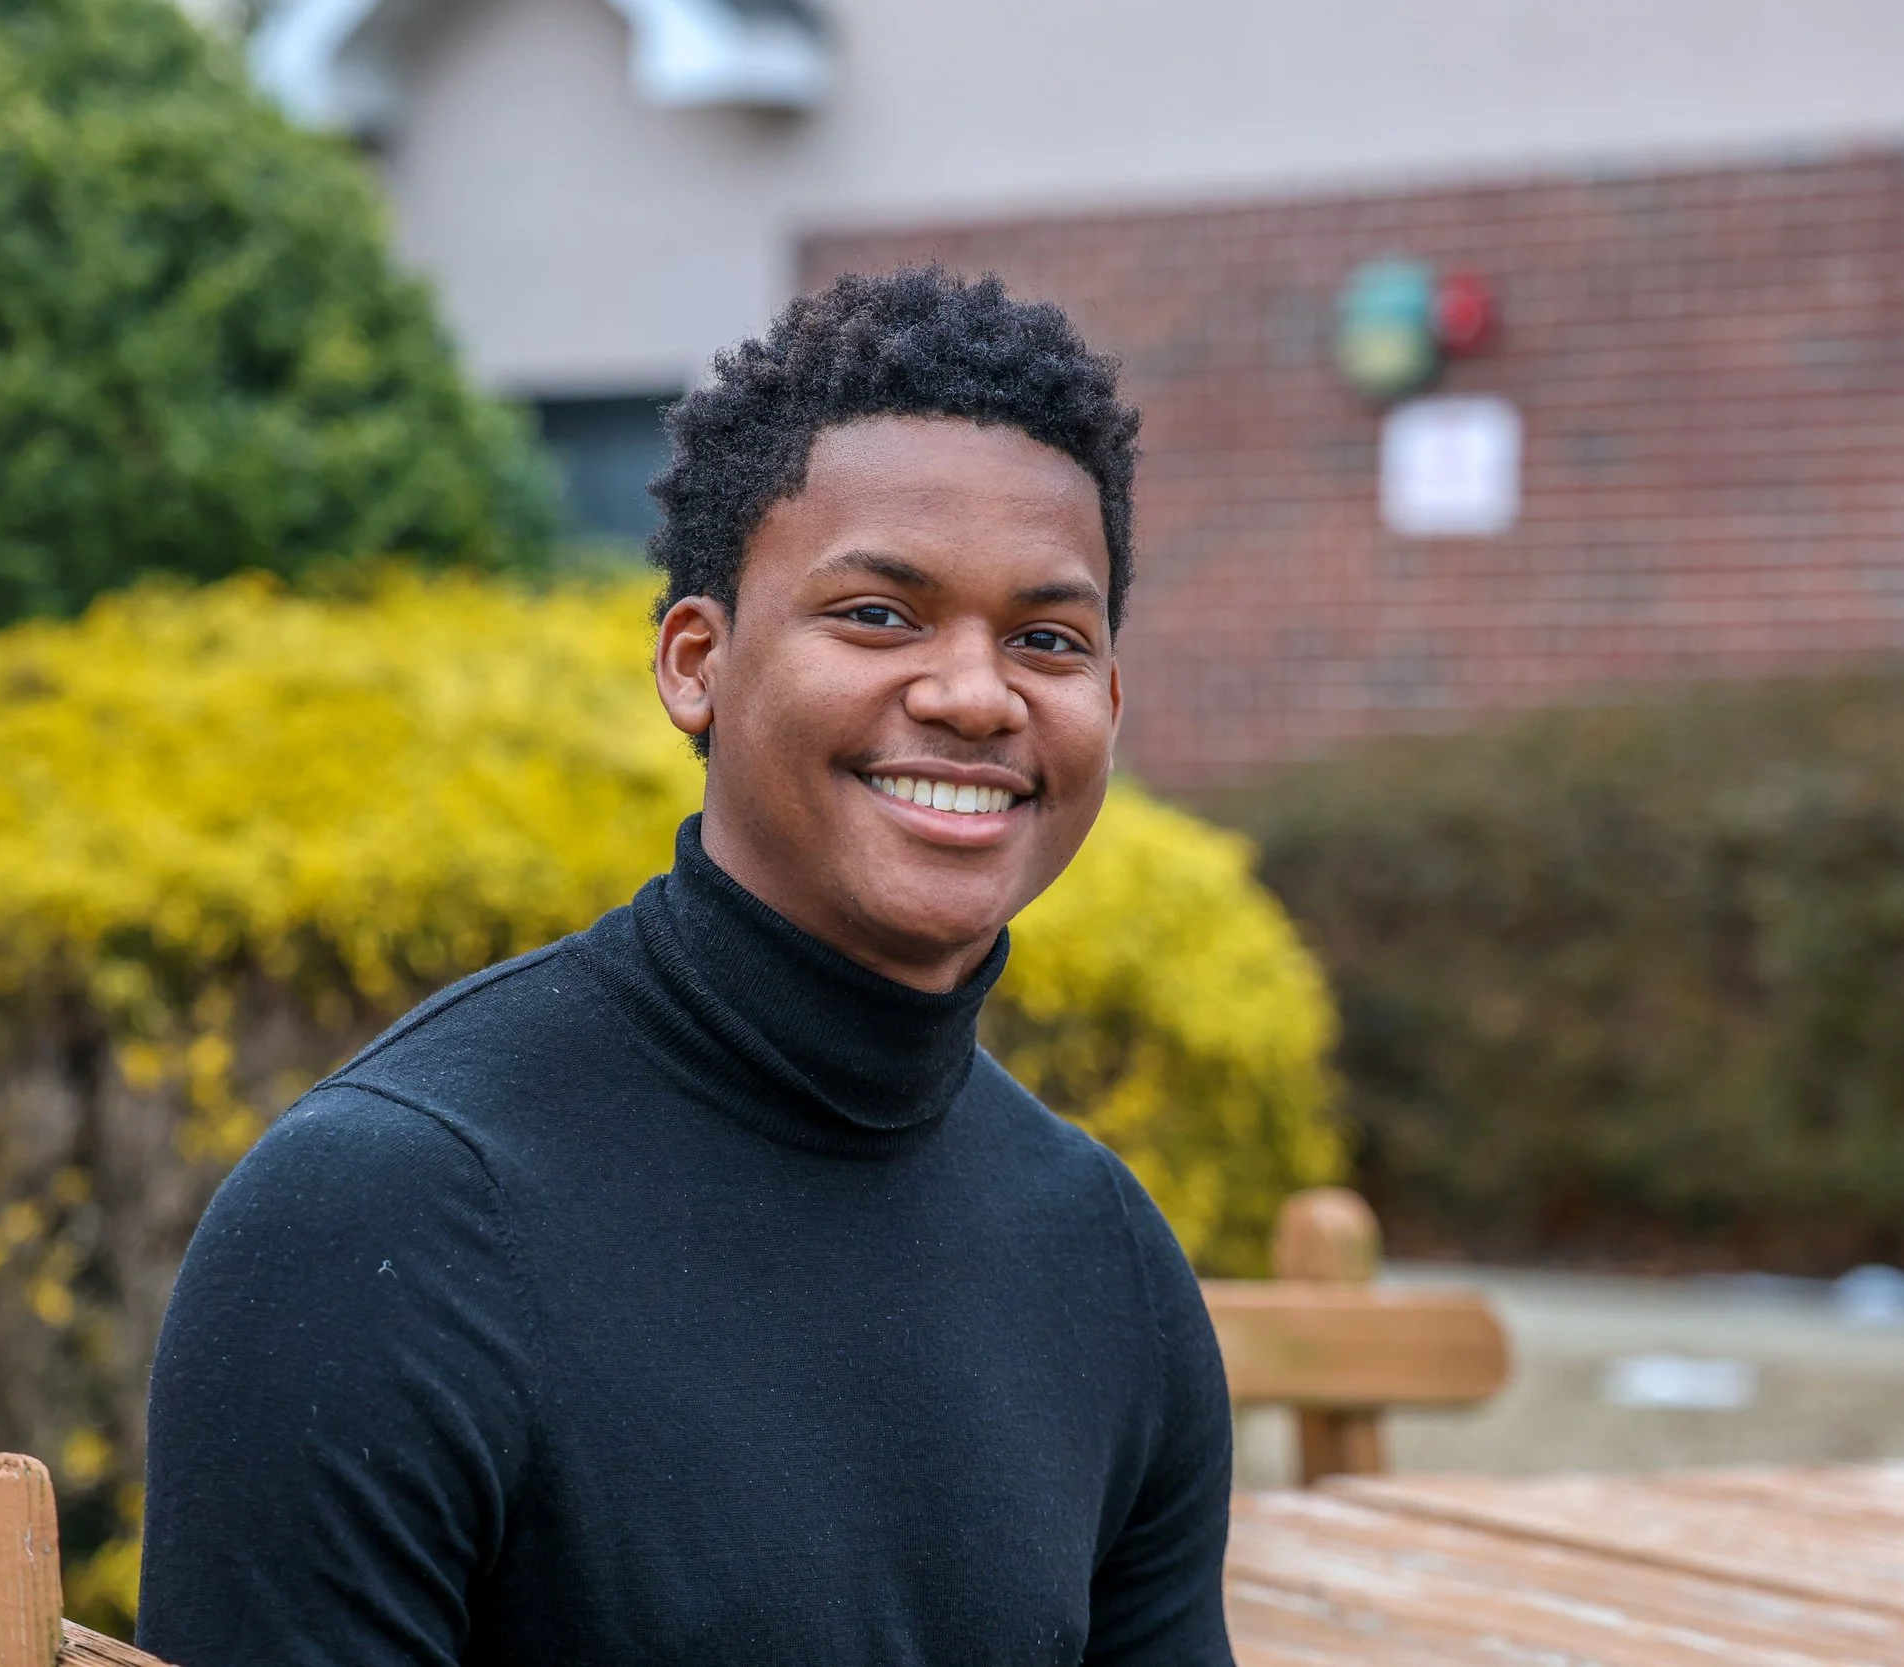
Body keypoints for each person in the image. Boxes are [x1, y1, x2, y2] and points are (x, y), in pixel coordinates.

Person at [136, 267, 1233, 1667]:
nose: (974, 694)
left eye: (1046, 641)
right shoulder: (385, 1219)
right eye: (879, 615)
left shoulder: (1105, 1262)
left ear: (1109, 703)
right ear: (695, 662)